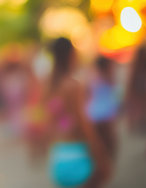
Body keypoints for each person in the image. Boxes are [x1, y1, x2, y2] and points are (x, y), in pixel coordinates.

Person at [42, 38, 110, 188]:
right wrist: (100, 153)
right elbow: (84, 123)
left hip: (57, 157)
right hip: (78, 155)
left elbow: (50, 123)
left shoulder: (48, 86)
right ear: (70, 55)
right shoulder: (73, 85)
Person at [85, 56, 120, 158]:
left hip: (92, 113)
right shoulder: (109, 77)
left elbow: (87, 95)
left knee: (96, 145)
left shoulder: (91, 77)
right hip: (106, 114)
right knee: (109, 145)